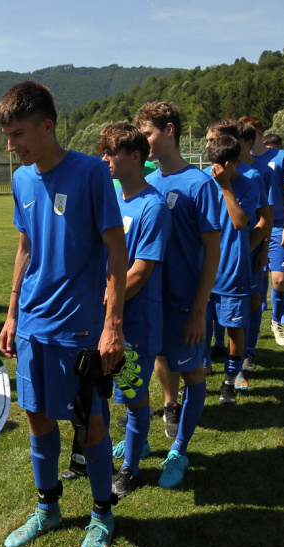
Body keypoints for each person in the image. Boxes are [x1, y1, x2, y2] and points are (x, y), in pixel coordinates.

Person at [0, 82, 126, 547]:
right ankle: (47, 507)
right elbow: (26, 246)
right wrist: (12, 312)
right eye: (7, 137)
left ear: (47, 126)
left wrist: (113, 324)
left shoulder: (92, 173)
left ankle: (101, 514)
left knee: (89, 421)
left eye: (18, 134)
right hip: (31, 324)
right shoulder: (22, 180)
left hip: (79, 328)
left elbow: (117, 248)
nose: (12, 146)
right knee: (36, 415)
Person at [134, 102, 220, 488]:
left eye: (148, 133)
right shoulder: (147, 181)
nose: (143, 141)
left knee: (193, 373)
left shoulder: (199, 184)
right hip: (149, 300)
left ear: (169, 131)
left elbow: (212, 250)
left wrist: (200, 309)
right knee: (140, 366)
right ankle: (138, 440)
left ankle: (179, 448)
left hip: (185, 301)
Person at [98, 122, 171, 499]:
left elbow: (140, 273)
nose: (105, 158)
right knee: (103, 392)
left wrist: (104, 302)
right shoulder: (112, 196)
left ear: (137, 157)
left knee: (133, 395)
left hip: (134, 322)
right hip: (109, 315)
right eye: (104, 151)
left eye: (113, 152)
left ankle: (130, 468)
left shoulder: (154, 207)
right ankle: (101, 454)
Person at [205, 136, 259, 403]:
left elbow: (239, 223)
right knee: (199, 326)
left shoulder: (248, 186)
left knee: (234, 328)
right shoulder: (202, 180)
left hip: (233, 271)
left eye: (220, 166)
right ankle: (196, 376)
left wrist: (226, 186)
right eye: (212, 164)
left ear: (235, 163)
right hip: (203, 271)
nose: (214, 170)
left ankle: (229, 381)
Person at [240, 116, 284, 346]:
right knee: (255, 280)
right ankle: (253, 327)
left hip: (276, 226)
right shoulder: (242, 161)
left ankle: (277, 322)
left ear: (259, 133)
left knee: (279, 280)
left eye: (250, 131)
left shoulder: (281, 156)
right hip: (252, 227)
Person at [237, 121, 273, 374]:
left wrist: (262, 249)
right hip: (226, 253)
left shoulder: (259, 173)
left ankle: (249, 351)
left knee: (253, 299)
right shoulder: (215, 174)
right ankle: (220, 348)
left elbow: (266, 217)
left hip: (251, 248)